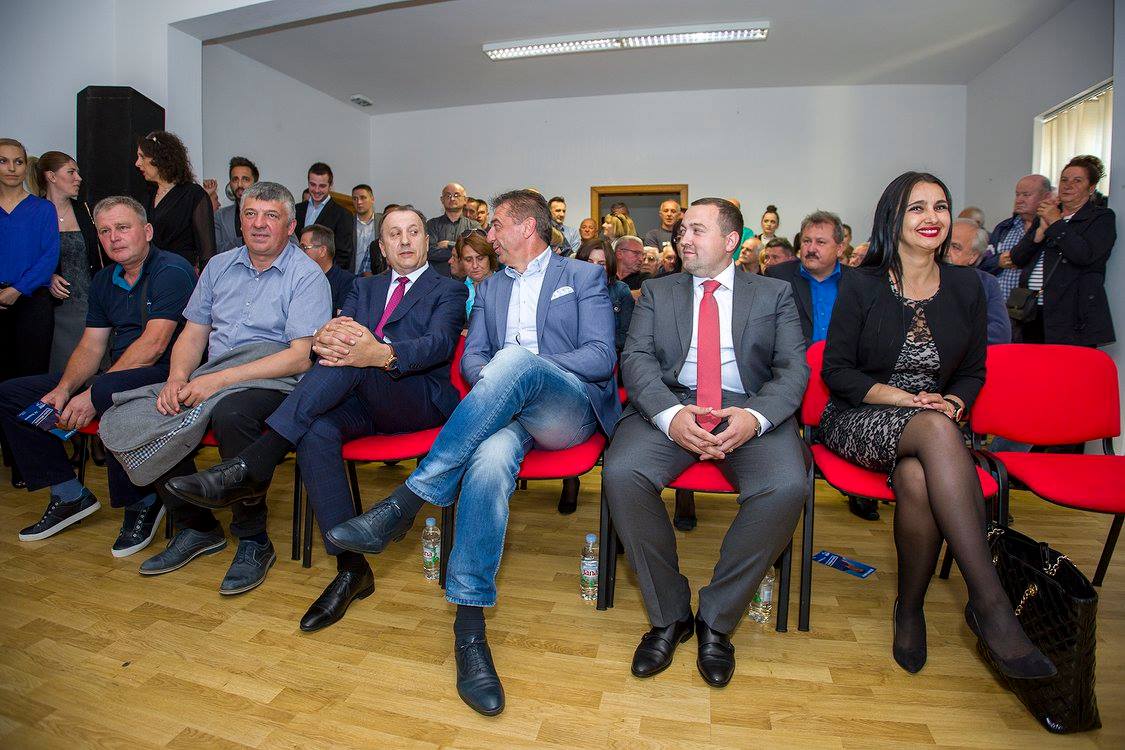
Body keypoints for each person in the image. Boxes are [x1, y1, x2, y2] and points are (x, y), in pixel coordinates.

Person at [326, 190, 620, 716]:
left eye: (497, 225)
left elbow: (600, 357)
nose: (489, 236)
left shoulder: (582, 277)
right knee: (487, 462)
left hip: (566, 409)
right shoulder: (488, 287)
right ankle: (469, 626)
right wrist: (501, 381)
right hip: (504, 414)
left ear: (526, 227)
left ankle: (408, 501)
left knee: (515, 362)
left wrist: (523, 370)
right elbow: (472, 360)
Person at [162, 205, 468, 631]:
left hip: (416, 398)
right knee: (316, 428)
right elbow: (336, 330)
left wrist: (377, 353)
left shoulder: (448, 289)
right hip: (361, 396)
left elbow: (438, 345)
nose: (404, 240)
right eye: (394, 234)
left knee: (349, 359)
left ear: (427, 241)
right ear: (381, 247)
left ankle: (257, 460)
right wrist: (326, 337)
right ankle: (351, 569)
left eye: (413, 232)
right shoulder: (364, 286)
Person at [818, 171, 1055, 679]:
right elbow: (837, 371)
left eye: (941, 206)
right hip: (862, 414)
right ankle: (991, 604)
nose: (932, 217)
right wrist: (908, 401)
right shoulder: (861, 283)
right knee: (932, 429)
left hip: (937, 423)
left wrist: (951, 401)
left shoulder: (968, 285)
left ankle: (909, 609)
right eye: (917, 207)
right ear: (893, 218)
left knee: (916, 477)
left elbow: (973, 371)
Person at [604, 197, 810, 688]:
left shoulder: (773, 293)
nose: (684, 239)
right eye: (683, 231)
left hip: (747, 406)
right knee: (622, 472)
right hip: (675, 403)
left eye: (697, 230)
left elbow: (792, 369)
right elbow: (635, 359)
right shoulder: (659, 291)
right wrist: (670, 416)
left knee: (786, 486)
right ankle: (669, 614)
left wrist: (755, 418)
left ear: (731, 240)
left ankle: (716, 619)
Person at [129, 182, 331, 594]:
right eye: (250, 214)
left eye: (271, 216)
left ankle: (253, 539)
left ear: (290, 226)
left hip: (275, 381)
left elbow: (298, 358)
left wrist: (215, 381)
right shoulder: (218, 267)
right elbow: (193, 334)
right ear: (239, 222)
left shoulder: (306, 275)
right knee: (150, 410)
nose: (258, 224)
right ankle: (196, 526)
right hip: (213, 374)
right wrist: (177, 378)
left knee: (232, 413)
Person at [0, 196, 194, 554]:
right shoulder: (105, 279)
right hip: (118, 373)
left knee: (106, 394)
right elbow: (91, 346)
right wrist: (65, 388)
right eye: (104, 231)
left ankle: (143, 501)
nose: (113, 237)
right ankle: (68, 493)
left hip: (167, 376)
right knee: (12, 394)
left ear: (147, 231)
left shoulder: (172, 269)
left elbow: (154, 345)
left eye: (122, 227)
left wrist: (92, 393)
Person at [1009, 155, 1115, 346]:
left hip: (1072, 316)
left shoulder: (1100, 218)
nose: (1068, 185)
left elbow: (1083, 256)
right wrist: (1039, 233)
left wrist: (1056, 222)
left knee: (1067, 365)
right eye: (1064, 180)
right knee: (1032, 363)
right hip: (1032, 311)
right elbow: (1017, 258)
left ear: (1091, 188)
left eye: (1077, 181)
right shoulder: (1046, 214)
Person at [37, 151, 103, 373]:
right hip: (54, 308)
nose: (78, 178)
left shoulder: (85, 210)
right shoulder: (34, 212)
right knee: (60, 369)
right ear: (51, 176)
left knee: (94, 369)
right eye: (71, 172)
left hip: (90, 303)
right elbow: (23, 258)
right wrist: (47, 277)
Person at [135, 131, 215, 269]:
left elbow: (207, 252)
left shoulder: (193, 194)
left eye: (142, 157)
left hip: (179, 271)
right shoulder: (147, 195)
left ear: (160, 158)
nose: (137, 163)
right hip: (149, 272)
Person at [765, 210, 847, 345]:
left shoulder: (857, 281)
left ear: (839, 248)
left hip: (843, 357)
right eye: (807, 241)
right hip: (795, 356)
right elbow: (770, 329)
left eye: (820, 242)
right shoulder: (778, 277)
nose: (811, 249)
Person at [982, 174, 1053, 301]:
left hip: (1034, 306)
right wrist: (998, 262)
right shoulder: (1004, 228)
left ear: (1046, 197)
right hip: (1001, 305)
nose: (1019, 200)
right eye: (1017, 194)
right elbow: (982, 264)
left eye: (1026, 195)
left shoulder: (1052, 230)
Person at [947, 218, 1011, 344]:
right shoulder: (921, 276)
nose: (945, 251)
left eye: (955, 247)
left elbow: (1001, 333)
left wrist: (954, 335)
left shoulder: (986, 283)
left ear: (973, 256)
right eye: (943, 244)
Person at [576, 238, 635, 351]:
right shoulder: (570, 290)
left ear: (609, 266)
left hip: (609, 353)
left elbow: (626, 336)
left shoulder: (620, 291)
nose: (594, 268)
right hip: (574, 354)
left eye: (601, 264)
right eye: (589, 262)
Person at [294, 162, 355, 271]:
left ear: (330, 185)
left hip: (325, 275)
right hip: (295, 272)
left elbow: (343, 256)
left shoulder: (343, 215)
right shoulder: (296, 210)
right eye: (312, 185)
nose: (317, 190)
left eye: (322, 186)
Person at [299, 224, 356, 315]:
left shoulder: (348, 282)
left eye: (304, 248)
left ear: (322, 251)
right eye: (299, 248)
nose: (300, 253)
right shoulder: (298, 278)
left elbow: (342, 320)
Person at [426, 182, 480, 275]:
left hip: (466, 279)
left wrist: (448, 244)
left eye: (456, 195)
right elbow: (429, 252)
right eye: (448, 195)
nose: (452, 198)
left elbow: (477, 250)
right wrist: (462, 253)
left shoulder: (473, 226)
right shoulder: (432, 224)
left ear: (465, 200)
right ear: (442, 200)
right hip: (437, 277)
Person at [212, 157, 258, 254]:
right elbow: (215, 249)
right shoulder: (220, 216)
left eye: (245, 179)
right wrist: (244, 240)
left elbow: (288, 243)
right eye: (235, 179)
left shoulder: (270, 212)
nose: (240, 184)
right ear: (230, 183)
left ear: (255, 183)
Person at [457, 229, 498, 320]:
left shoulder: (505, 285)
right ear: (461, 261)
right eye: (468, 260)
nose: (475, 265)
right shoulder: (455, 289)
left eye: (480, 258)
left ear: (490, 258)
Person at [351, 184, 382, 276]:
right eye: (355, 199)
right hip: (352, 274)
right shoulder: (348, 222)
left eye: (363, 197)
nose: (359, 202)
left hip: (376, 275)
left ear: (372, 199)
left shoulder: (382, 221)